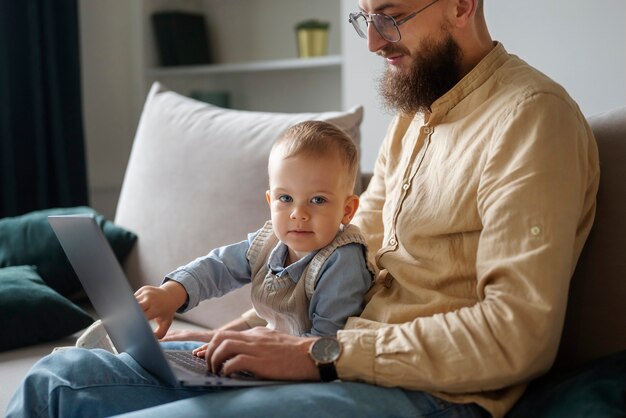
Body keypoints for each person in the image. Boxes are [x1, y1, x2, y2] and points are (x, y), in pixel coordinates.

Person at [6, 0, 600, 417]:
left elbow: (516, 336)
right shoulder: (413, 120)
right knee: (57, 378)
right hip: (333, 358)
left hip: (428, 396)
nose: (372, 41)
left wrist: (318, 354)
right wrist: (247, 333)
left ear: (463, 3)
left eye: (390, 17)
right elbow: (339, 244)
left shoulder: (531, 119)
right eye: (365, 18)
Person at [135, 120, 373, 347]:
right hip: (272, 355)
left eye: (318, 200)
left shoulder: (343, 261)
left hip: (308, 368)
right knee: (160, 354)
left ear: (347, 210)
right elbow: (220, 267)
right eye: (286, 198)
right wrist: (172, 292)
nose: (298, 214)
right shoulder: (267, 243)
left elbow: (327, 344)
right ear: (271, 201)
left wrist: (249, 346)